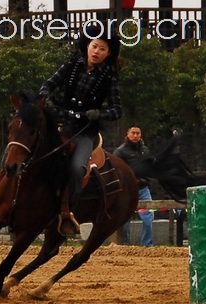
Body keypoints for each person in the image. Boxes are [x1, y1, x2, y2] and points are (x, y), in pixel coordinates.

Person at [39, 25, 122, 231]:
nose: (97, 52)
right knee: (30, 149)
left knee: (77, 168)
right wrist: (46, 100)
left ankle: (68, 212)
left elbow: (117, 110)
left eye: (102, 49)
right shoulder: (71, 65)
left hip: (85, 131)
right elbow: (47, 86)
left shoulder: (110, 76)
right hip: (61, 124)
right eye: (95, 46)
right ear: (87, 46)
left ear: (108, 53)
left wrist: (99, 114)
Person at [113, 126, 154, 246]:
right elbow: (116, 170)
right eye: (133, 133)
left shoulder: (145, 150)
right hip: (127, 191)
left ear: (141, 135)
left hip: (143, 189)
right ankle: (125, 245)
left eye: (138, 133)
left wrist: (147, 179)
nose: (135, 135)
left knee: (148, 217)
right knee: (124, 219)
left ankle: (147, 245)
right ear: (128, 134)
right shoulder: (120, 151)